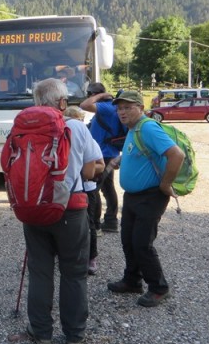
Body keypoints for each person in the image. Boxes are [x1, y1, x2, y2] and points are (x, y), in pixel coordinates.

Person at [22, 79, 101, 344]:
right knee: (74, 273)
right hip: (71, 208)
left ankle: (42, 333)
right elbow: (91, 170)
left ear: (36, 102)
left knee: (40, 271)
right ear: (63, 103)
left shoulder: (22, 129)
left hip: (34, 210)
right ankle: (74, 337)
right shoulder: (77, 127)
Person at [107, 91, 184, 307]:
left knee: (142, 243)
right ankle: (132, 281)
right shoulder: (134, 128)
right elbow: (140, 151)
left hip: (150, 196)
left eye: (127, 107)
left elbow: (176, 154)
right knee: (128, 240)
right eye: (119, 108)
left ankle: (159, 288)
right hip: (133, 197)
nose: (122, 112)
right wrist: (121, 159)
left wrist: (166, 184)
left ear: (140, 107)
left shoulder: (147, 126)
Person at [65, 105, 105, 275]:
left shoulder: (90, 139)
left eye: (80, 120)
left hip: (86, 188)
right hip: (70, 187)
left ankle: (91, 258)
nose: (79, 124)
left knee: (88, 225)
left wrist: (81, 170)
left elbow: (100, 166)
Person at [80, 82, 123, 233]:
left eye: (89, 94)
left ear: (93, 94)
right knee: (107, 187)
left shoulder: (106, 106)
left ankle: (96, 222)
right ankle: (110, 220)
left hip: (103, 154)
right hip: (107, 152)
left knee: (95, 188)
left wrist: (102, 95)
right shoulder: (109, 107)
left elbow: (84, 105)